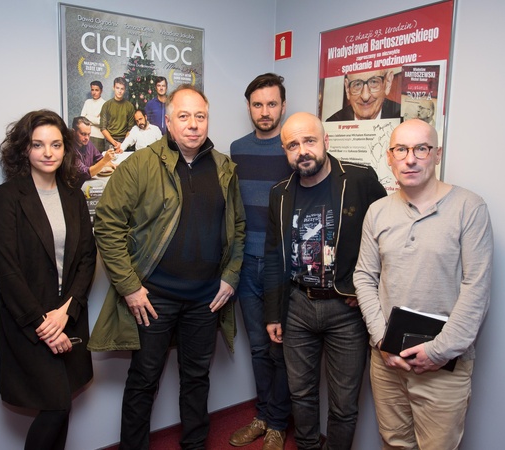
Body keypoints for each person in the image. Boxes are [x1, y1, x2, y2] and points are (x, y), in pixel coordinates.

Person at [88, 84, 246, 450]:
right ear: (169, 122)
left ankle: (195, 445)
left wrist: (231, 276)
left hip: (207, 299)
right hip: (153, 298)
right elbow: (107, 226)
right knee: (144, 380)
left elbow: (238, 227)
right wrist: (129, 286)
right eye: (184, 116)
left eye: (200, 116)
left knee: (197, 379)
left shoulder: (224, 167)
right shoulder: (140, 164)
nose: (193, 124)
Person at [353, 119, 493, 450]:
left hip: (443, 367)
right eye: (401, 150)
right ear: (390, 157)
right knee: (394, 443)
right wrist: (381, 340)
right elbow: (364, 276)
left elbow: (477, 288)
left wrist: (437, 352)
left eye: (421, 149)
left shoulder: (469, 208)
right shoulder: (377, 211)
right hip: (387, 363)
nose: (410, 159)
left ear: (437, 154)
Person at [263, 112, 386, 449]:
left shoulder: (360, 180)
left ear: (325, 141)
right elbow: (273, 255)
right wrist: (273, 314)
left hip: (346, 309)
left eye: (309, 141)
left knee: (344, 404)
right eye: (293, 145)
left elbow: (387, 239)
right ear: (285, 151)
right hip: (297, 306)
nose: (302, 150)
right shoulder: (280, 193)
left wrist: (369, 291)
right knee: (301, 394)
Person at [0, 110, 97, 450]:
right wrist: (44, 325)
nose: (48, 152)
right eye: (38, 145)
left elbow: (87, 259)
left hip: (68, 317)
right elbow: (6, 270)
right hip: (28, 322)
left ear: (66, 149)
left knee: (62, 405)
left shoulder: (74, 196)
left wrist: (66, 312)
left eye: (56, 144)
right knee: (56, 406)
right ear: (25, 149)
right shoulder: (8, 196)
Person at [228, 73, 292, 450]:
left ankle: (278, 423)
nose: (265, 111)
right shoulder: (236, 150)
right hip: (244, 265)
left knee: (279, 348)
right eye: (257, 104)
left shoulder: (292, 149)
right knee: (257, 347)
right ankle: (264, 415)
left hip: (279, 266)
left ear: (283, 106)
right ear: (249, 107)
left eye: (271, 104)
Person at [326, 69, 400, 121]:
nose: (365, 96)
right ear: (347, 89)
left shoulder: (401, 120)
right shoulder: (333, 123)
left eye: (374, 82)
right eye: (357, 84)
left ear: (387, 83)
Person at [72, 116, 116, 185]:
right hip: (76, 185)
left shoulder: (87, 142)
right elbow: (85, 173)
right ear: (74, 132)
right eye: (83, 134)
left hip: (87, 182)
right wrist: (105, 160)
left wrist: (113, 165)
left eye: (89, 134)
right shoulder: (69, 150)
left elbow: (99, 158)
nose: (87, 138)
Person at [100, 76, 136, 151]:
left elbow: (130, 129)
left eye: (122, 89)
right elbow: (103, 128)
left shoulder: (129, 106)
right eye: (117, 88)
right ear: (113, 88)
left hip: (125, 140)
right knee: (109, 158)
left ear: (125, 90)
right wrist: (114, 143)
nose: (119, 91)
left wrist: (123, 144)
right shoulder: (106, 105)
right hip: (110, 140)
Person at [80, 80, 107, 152]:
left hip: (99, 137)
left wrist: (87, 116)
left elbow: (100, 122)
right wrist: (94, 118)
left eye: (96, 90)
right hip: (86, 136)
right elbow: (82, 119)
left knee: (98, 158)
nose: (94, 92)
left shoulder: (105, 104)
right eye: (92, 90)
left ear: (101, 91)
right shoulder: (87, 102)